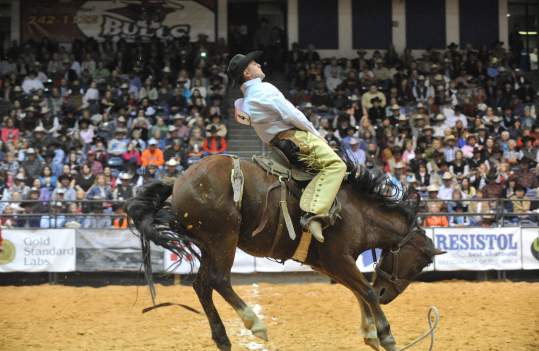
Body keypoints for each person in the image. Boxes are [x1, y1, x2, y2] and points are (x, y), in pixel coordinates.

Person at [228, 51, 346, 243]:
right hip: (296, 139)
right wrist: (317, 136)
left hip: (277, 146)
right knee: (337, 165)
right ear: (247, 74)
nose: (258, 64)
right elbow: (293, 115)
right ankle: (313, 213)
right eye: (253, 64)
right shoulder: (264, 89)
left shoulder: (242, 106)